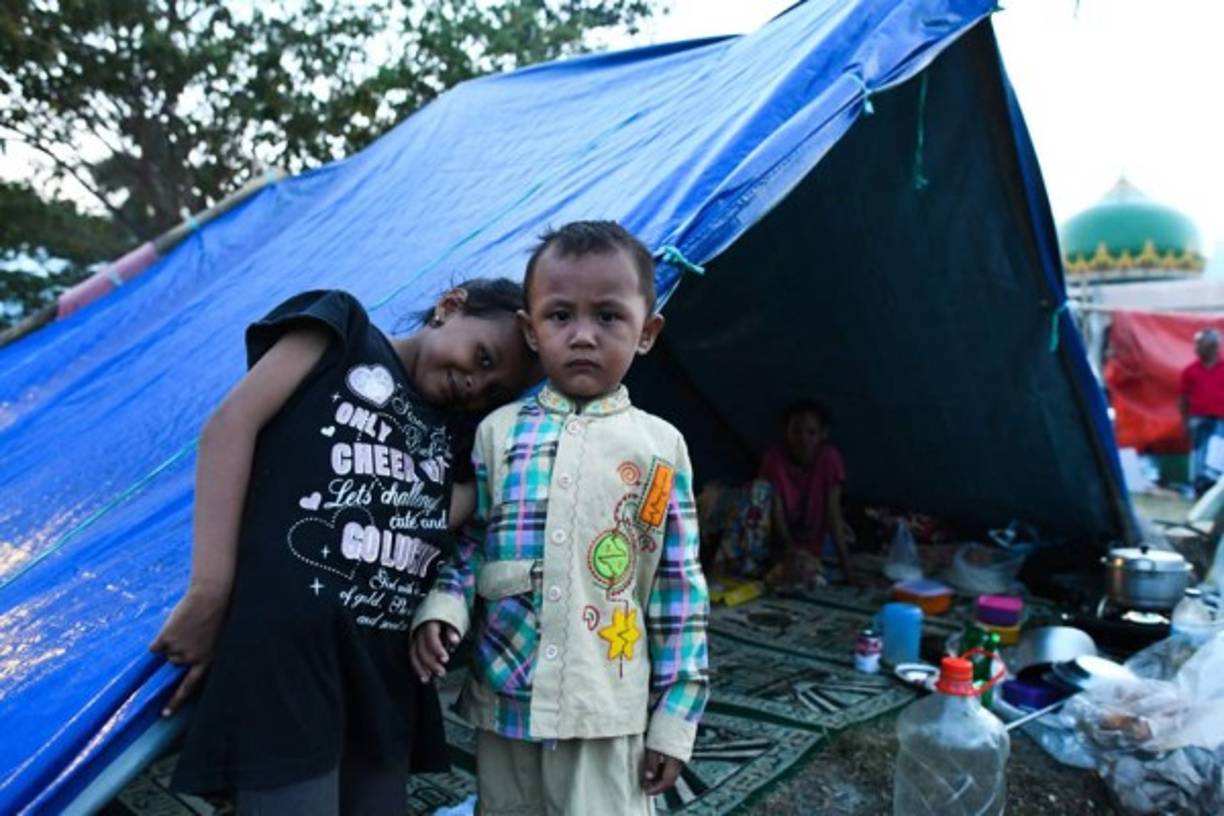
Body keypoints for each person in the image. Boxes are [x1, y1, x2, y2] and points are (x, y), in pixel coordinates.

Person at [149, 281, 539, 814]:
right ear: (451, 305)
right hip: (289, 659)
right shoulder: (344, 330)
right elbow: (230, 425)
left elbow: (437, 510)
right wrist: (210, 590)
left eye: (493, 391)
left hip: (385, 676)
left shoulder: (451, 435)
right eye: (483, 357)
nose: (476, 385)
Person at [411, 221, 709, 815]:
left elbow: (678, 590)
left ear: (647, 332)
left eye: (607, 317)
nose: (582, 336)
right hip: (507, 701)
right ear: (530, 329)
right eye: (559, 316)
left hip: (607, 709)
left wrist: (674, 719)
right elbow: (472, 542)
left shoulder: (659, 449)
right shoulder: (498, 434)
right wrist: (443, 606)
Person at [758, 400, 858, 587]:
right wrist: (790, 550)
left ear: (823, 434)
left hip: (815, 541)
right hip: (779, 540)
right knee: (756, 493)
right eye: (796, 431)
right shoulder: (774, 459)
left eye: (811, 432)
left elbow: (833, 514)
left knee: (812, 575)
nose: (803, 439)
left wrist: (848, 570)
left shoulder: (829, 459)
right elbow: (775, 511)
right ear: (786, 432)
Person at [1180, 328, 1224, 496]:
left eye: (1200, 345)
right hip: (1198, 417)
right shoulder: (1190, 370)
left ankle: (1214, 487)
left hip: (1221, 418)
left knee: (1219, 453)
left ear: (1213, 347)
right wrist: (1185, 421)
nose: (1196, 349)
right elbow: (1183, 398)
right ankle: (1198, 486)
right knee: (1199, 452)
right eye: (1196, 345)